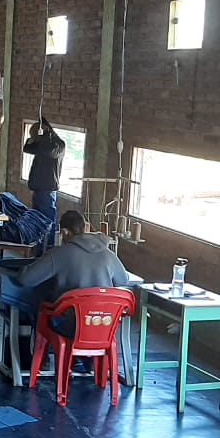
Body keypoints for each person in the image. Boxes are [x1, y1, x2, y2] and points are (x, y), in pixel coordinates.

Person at [18, 209, 128, 337]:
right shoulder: (108, 254)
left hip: (71, 326)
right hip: (104, 324)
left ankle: (38, 348)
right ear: (85, 228)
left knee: (39, 303)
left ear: (65, 232)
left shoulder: (58, 254)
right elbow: (123, 281)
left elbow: (26, 279)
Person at [23, 118, 64, 246]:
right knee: (37, 219)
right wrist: (33, 138)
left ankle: (49, 247)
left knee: (48, 220)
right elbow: (27, 148)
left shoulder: (57, 144)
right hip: (39, 188)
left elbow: (49, 151)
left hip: (47, 189)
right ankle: (38, 246)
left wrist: (45, 135)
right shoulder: (44, 144)